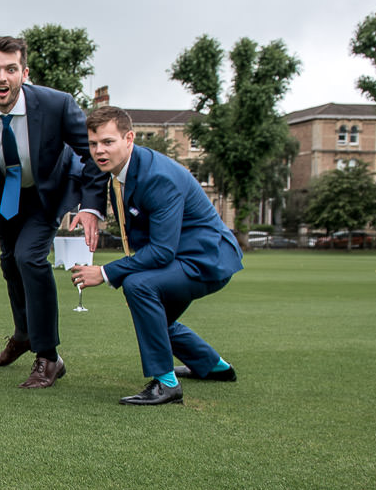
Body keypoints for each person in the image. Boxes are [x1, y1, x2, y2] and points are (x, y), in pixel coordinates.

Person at [0, 34, 106, 389]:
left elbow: (90, 154)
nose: (3, 77)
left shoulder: (57, 104)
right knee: (9, 260)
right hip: (9, 193)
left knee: (30, 258)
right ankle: (24, 334)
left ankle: (48, 356)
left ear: (24, 72)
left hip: (48, 192)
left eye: (11, 69)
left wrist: (91, 206)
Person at [69, 106, 244, 405]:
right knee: (156, 315)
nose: (99, 151)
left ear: (129, 139)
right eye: (94, 143)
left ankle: (166, 385)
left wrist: (106, 272)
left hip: (206, 258)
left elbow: (162, 251)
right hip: (184, 255)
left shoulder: (157, 177)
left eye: (108, 142)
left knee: (140, 286)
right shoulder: (120, 171)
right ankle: (214, 367)